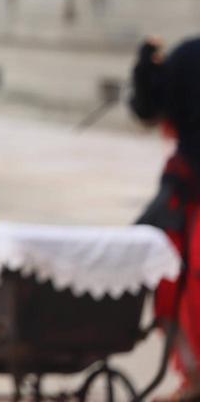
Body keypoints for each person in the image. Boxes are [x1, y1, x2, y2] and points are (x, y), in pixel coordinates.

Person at [131, 36, 200, 397]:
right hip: (188, 194)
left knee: (172, 279)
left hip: (190, 198)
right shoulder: (189, 55)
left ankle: (193, 375)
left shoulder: (189, 55)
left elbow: (147, 107)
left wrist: (146, 67)